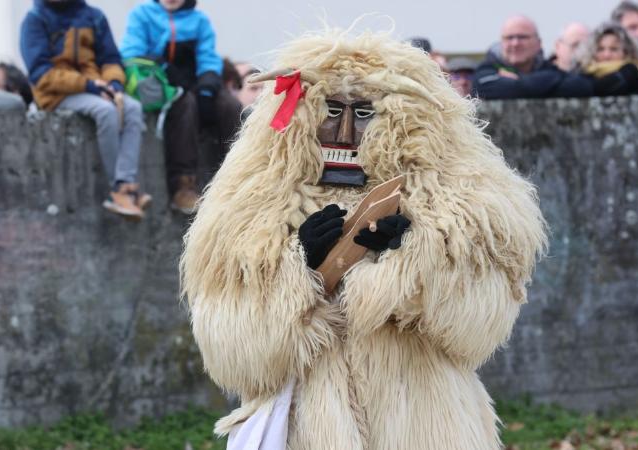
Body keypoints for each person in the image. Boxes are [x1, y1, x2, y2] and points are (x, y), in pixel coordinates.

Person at [181, 30, 546, 450]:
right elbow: (234, 353)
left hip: (423, 421)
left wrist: (411, 264)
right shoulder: (250, 203)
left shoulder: (463, 204)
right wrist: (303, 270)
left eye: (365, 113)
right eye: (332, 110)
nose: (346, 132)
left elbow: (478, 328)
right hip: (306, 424)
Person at [21, 0, 151, 220]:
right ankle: (119, 188)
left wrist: (115, 84)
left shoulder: (94, 16)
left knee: (132, 108)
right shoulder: (35, 19)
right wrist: (88, 85)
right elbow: (40, 74)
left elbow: (110, 59)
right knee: (105, 111)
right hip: (56, 93)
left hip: (96, 86)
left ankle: (127, 183)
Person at [121, 0, 242, 214]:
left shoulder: (199, 21)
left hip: (194, 81)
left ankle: (238, 177)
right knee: (185, 105)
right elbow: (131, 52)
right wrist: (164, 66)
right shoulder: (141, 15)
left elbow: (208, 57)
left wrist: (207, 86)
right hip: (161, 81)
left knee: (230, 106)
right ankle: (183, 186)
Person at [473, 15, 591, 99]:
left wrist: (518, 81)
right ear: (501, 42)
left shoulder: (550, 70)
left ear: (538, 43)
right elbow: (483, 89)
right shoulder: (486, 69)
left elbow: (582, 86)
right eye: (509, 37)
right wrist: (543, 86)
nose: (515, 43)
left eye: (522, 37)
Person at [575, 22, 638, 96]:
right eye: (600, 49)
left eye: (614, 49)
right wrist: (625, 75)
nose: (607, 55)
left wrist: (630, 73)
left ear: (626, 52)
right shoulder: (582, 76)